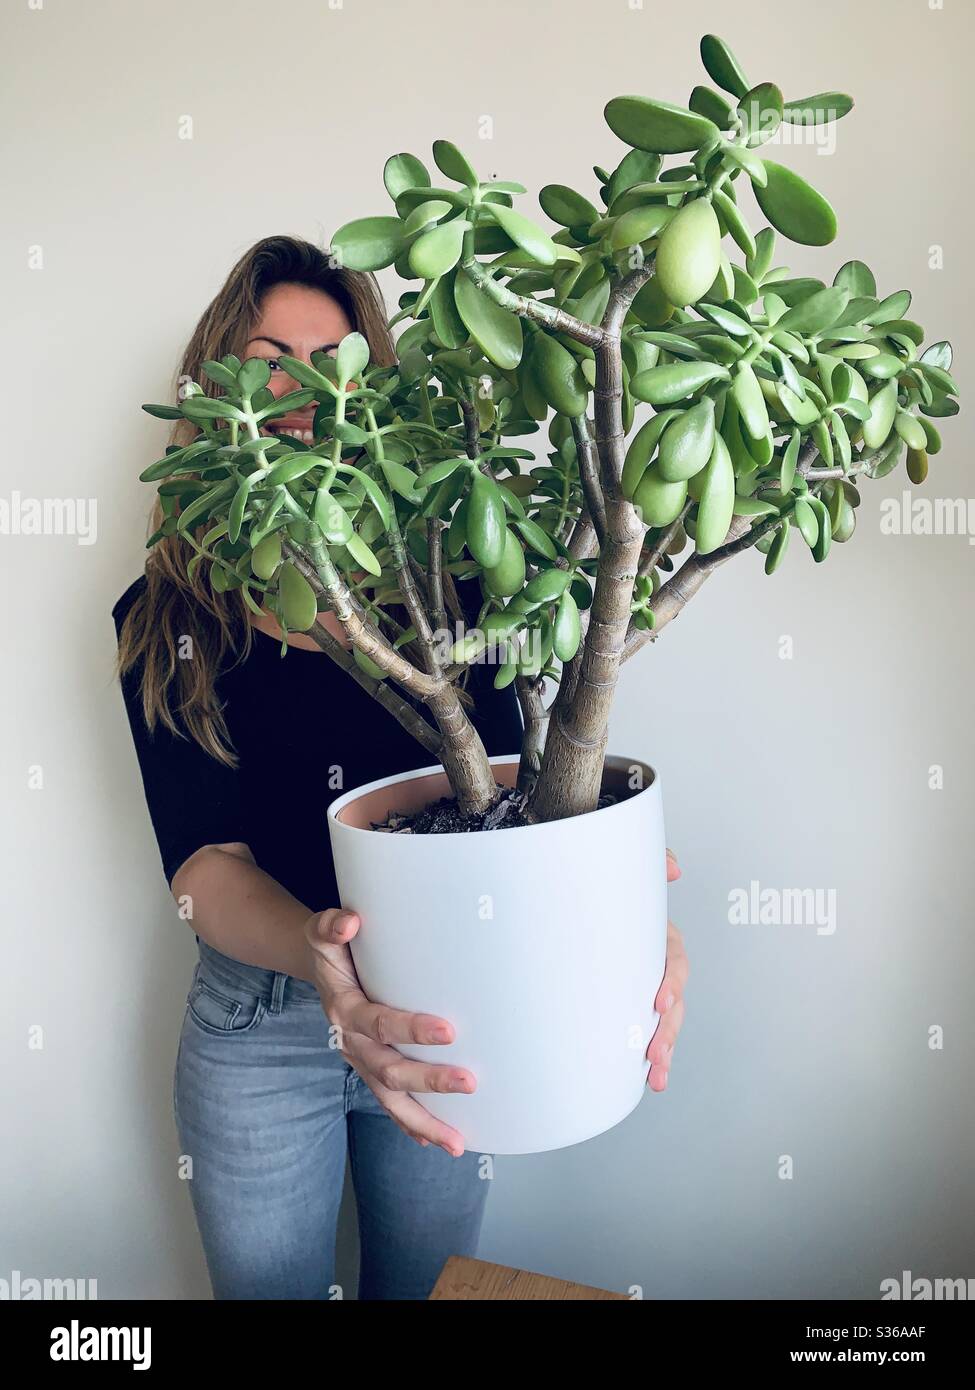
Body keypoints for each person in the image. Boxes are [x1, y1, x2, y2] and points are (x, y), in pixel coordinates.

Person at [113, 235, 689, 1301]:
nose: (300, 388)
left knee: (432, 1291)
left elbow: (524, 798)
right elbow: (201, 868)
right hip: (260, 1024)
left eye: (334, 360)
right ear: (215, 378)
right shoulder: (168, 618)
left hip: (453, 993)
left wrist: (620, 919)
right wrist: (322, 957)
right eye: (269, 354)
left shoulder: (453, 574)